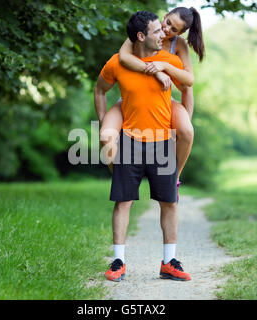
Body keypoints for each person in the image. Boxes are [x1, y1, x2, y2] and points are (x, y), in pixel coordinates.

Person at [94, 10, 192, 282]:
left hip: (162, 143)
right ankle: (118, 262)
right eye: (157, 31)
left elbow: (188, 86)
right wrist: (103, 120)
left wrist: (185, 121)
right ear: (140, 36)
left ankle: (169, 262)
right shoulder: (117, 63)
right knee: (122, 202)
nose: (164, 33)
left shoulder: (170, 61)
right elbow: (100, 89)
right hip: (130, 141)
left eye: (164, 30)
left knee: (169, 204)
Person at [100, 7, 205, 201]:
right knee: (105, 136)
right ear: (165, 16)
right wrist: (155, 71)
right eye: (168, 22)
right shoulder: (145, 31)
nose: (166, 30)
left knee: (187, 132)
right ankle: (122, 178)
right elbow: (123, 58)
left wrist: (164, 66)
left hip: (164, 99)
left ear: (180, 33)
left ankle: (175, 177)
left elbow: (188, 83)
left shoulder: (178, 45)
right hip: (131, 98)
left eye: (173, 29)